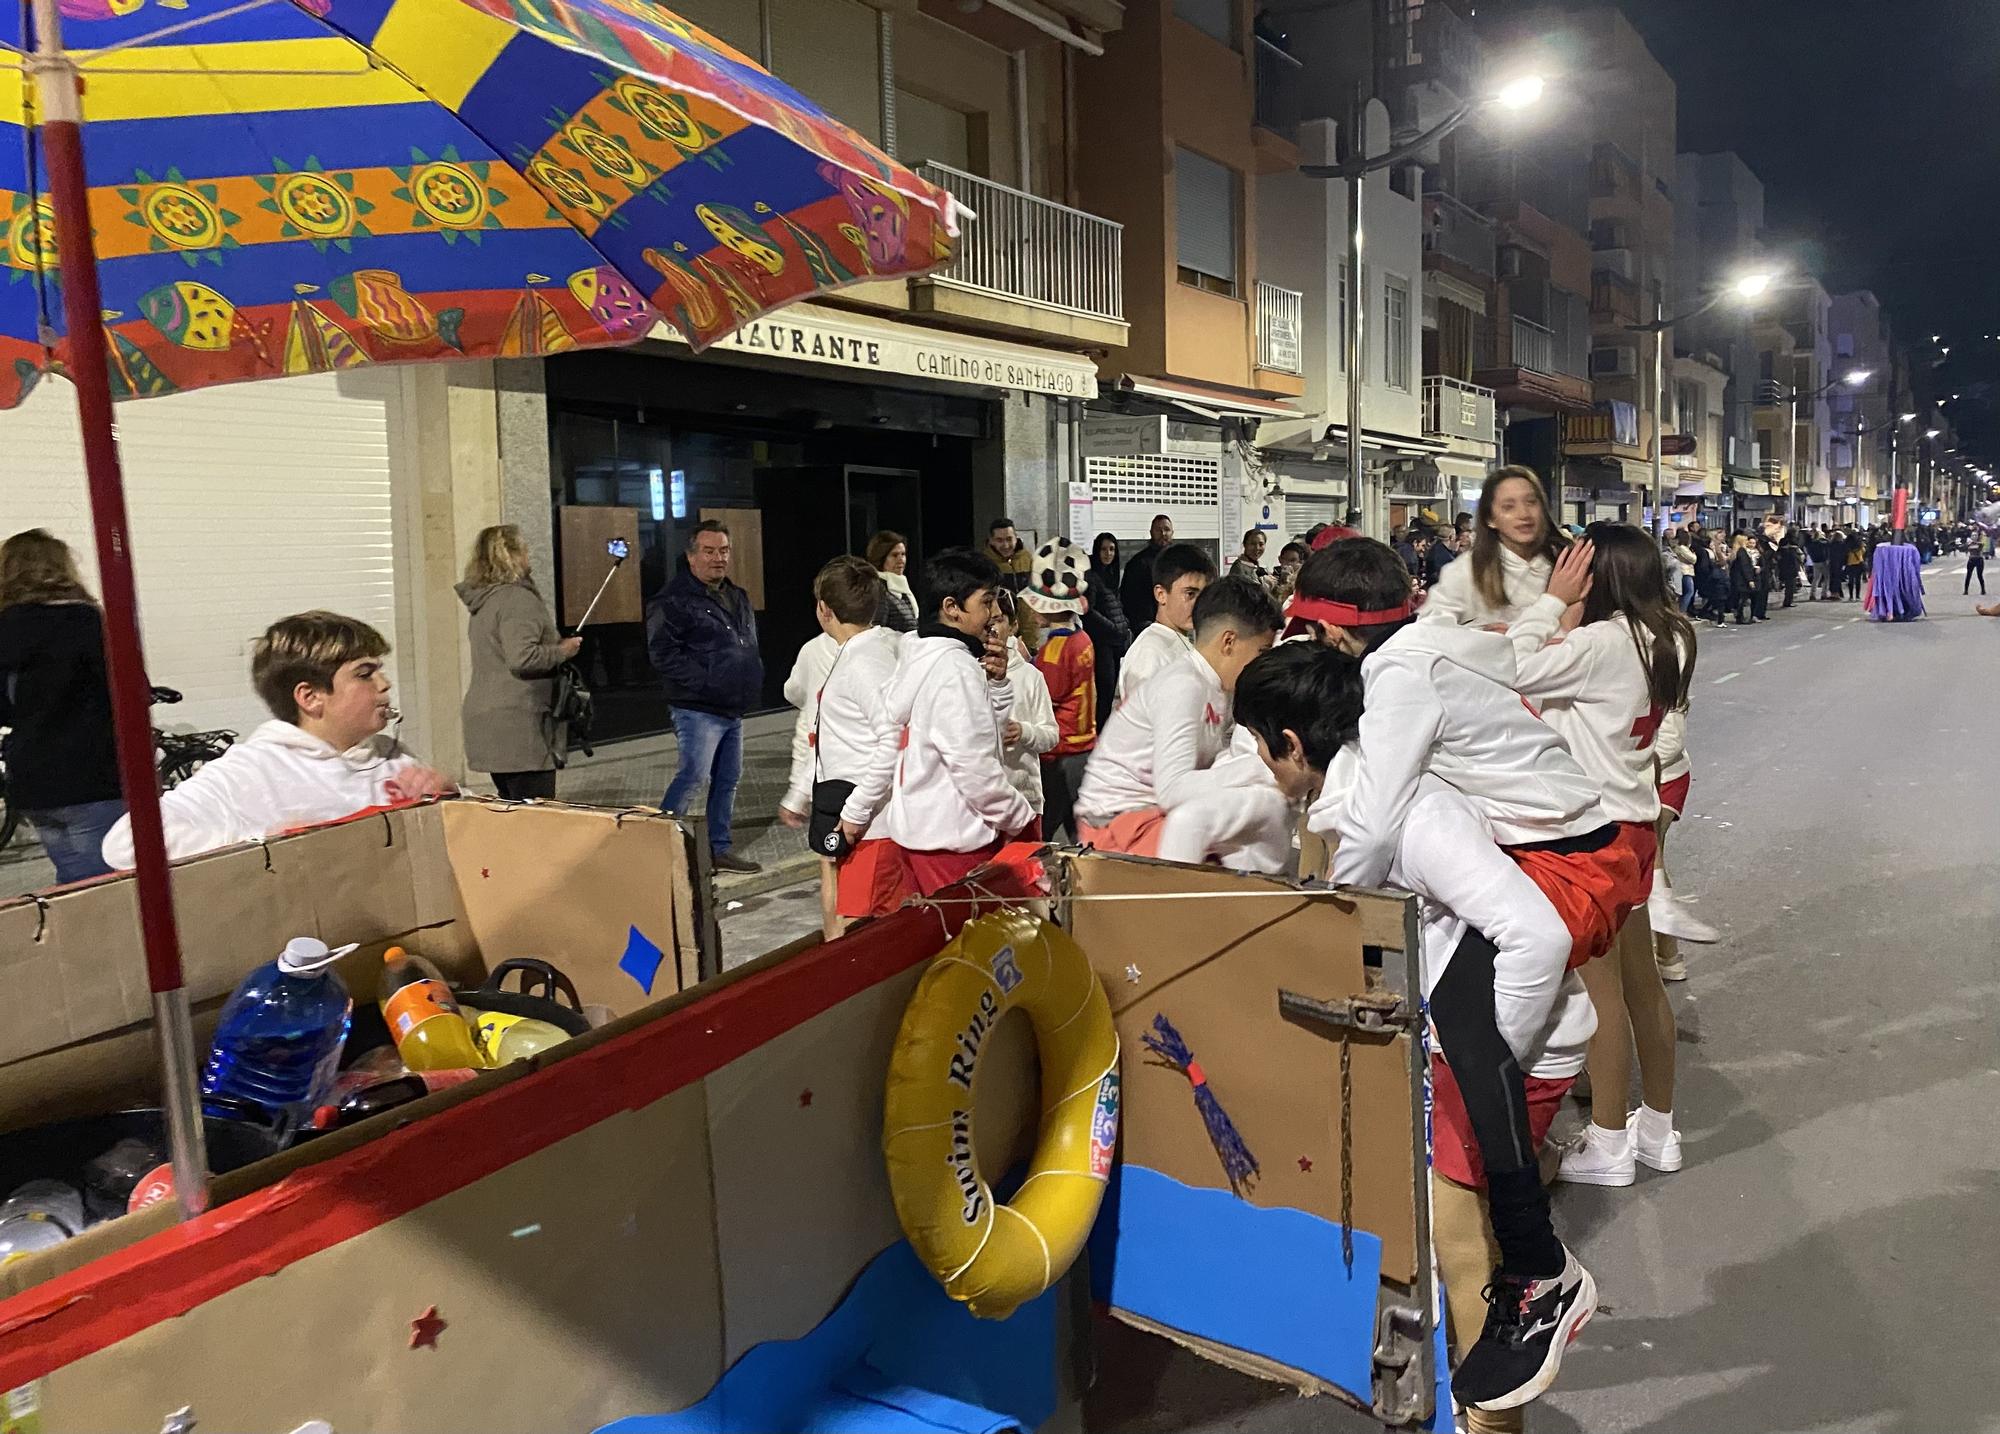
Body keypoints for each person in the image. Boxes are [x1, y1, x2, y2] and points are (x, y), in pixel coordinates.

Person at [1287, 538, 1621, 1414]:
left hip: (1563, 858)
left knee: (1470, 1038)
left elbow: (1377, 817)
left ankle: (1541, 1268)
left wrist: (1332, 899)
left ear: (1328, 627)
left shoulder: (1396, 680)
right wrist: (1548, 606)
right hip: (1581, 837)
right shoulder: (1438, 636)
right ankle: (1529, 1275)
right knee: (1467, 1034)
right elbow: (1514, 651)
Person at [1506, 529, 1694, 1190]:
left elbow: (1515, 668)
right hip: (1637, 826)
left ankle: (1609, 1141)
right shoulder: (1663, 635)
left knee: (1599, 993)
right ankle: (1656, 1131)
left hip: (1595, 836)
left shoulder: (1599, 643)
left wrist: (1547, 607)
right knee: (1642, 986)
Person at [100, 611, 453, 869]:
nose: (384, 684)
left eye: (380, 669)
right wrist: (263, 842)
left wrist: (450, 798)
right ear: (311, 697)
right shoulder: (251, 770)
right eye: (365, 674)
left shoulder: (390, 755)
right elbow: (126, 843)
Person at [836, 550, 1032, 910]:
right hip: (955, 843)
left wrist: (999, 683)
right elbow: (975, 768)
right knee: (973, 950)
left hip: (924, 839)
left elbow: (988, 733)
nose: (992, 615)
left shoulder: (921, 655)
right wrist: (1020, 817)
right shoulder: (954, 670)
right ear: (952, 607)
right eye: (985, 602)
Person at [1074, 578, 1280, 855]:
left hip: (1143, 817)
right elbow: (1173, 790)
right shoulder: (1184, 685)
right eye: (1261, 652)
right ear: (1228, 641)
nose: (1263, 664)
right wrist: (1266, 768)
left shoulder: (1212, 685)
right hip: (1116, 827)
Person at [778, 557, 898, 939]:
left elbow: (892, 739)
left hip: (870, 824)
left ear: (823, 610)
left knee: (862, 931)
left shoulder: (864, 663)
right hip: (860, 813)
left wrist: (855, 813)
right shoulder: (876, 649)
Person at [0, 530, 124, 884]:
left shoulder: (5, 627)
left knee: (73, 878)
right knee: (103, 888)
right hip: (92, 776)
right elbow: (131, 691)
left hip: (33, 779)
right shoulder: (90, 622)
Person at [649, 521, 765, 874]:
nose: (718, 559)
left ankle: (718, 849)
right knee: (693, 777)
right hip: (697, 708)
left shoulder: (737, 595)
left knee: (727, 780)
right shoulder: (672, 600)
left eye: (724, 551)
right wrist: (707, 683)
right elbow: (663, 655)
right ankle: (658, 851)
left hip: (732, 707)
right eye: (709, 551)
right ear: (691, 556)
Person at [455, 525, 581, 802]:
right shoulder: (516, 600)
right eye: (524, 549)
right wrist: (564, 650)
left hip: (489, 720)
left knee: (512, 811)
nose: (529, 556)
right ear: (512, 555)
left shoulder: (486, 601)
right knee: (535, 821)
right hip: (518, 725)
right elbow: (522, 657)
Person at [1422, 467, 1566, 627]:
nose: (1524, 514)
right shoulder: (1468, 570)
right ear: (1490, 518)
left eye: (1531, 502)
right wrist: (1483, 638)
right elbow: (1428, 633)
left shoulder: (1567, 561)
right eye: (1508, 507)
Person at [1023, 538, 1098, 842]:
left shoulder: (1055, 649)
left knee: (1045, 826)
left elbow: (1045, 697)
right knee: (1077, 828)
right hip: (1084, 745)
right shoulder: (1082, 638)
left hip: (1062, 751)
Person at [992, 590, 1057, 842]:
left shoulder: (1030, 677)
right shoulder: (967, 672)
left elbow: (1051, 735)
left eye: (998, 620)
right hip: (982, 803)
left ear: (1013, 624)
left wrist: (1023, 731)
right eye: (987, 622)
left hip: (1025, 798)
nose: (992, 629)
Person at [1116, 543, 1217, 702]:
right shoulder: (1149, 655)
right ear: (1161, 594)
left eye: (1204, 595)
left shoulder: (1181, 640)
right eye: (1190, 594)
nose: (1198, 604)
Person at [1120, 514, 1175, 631]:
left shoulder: (1179, 560)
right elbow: (1128, 598)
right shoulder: (1138, 563)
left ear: (1172, 533)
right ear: (1151, 532)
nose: (1163, 534)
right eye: (1158, 530)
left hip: (1175, 623)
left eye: (1166, 529)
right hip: (1148, 626)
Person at [867, 529, 918, 633]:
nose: (901, 560)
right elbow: (876, 630)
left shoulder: (903, 588)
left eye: (903, 554)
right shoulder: (878, 588)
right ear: (881, 557)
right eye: (895, 555)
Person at [984, 518, 1033, 591]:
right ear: (991, 541)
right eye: (999, 540)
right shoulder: (985, 563)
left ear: (1016, 538)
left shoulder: (1027, 558)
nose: (1006, 545)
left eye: (1009, 539)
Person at [1729, 532, 1757, 624]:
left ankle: (1739, 616)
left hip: (1737, 579)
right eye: (1745, 540)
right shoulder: (1742, 552)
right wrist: (1750, 580)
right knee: (1744, 599)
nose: (1747, 542)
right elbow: (1745, 567)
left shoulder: (1735, 551)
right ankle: (1742, 617)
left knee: (1739, 598)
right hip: (1742, 580)